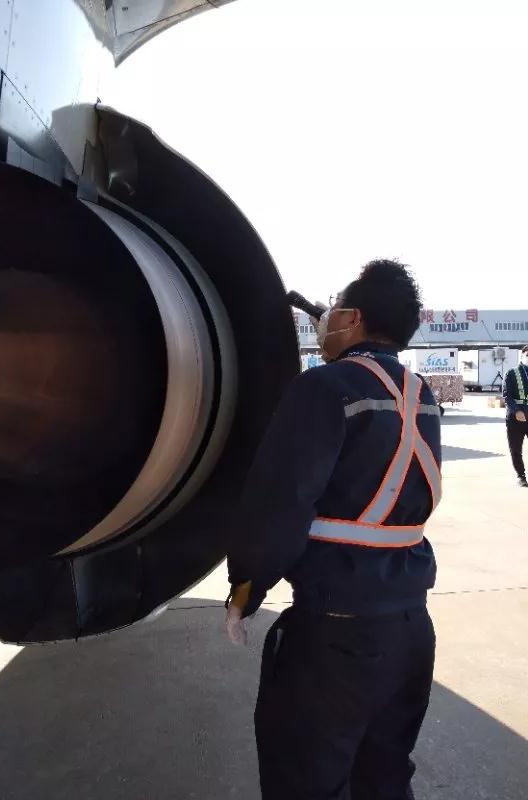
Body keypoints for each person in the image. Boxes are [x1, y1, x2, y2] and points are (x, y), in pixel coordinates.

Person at [225, 259, 442, 800]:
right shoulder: (420, 395)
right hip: (411, 629)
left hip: (337, 636)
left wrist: (247, 587)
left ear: (353, 319)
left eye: (334, 309)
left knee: (307, 781)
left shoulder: (324, 387)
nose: (325, 321)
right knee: (384, 777)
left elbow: (278, 502)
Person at [503, 345, 528, 487]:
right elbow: (507, 396)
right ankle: (521, 476)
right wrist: (516, 411)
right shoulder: (512, 373)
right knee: (516, 448)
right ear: (522, 355)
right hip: (516, 417)